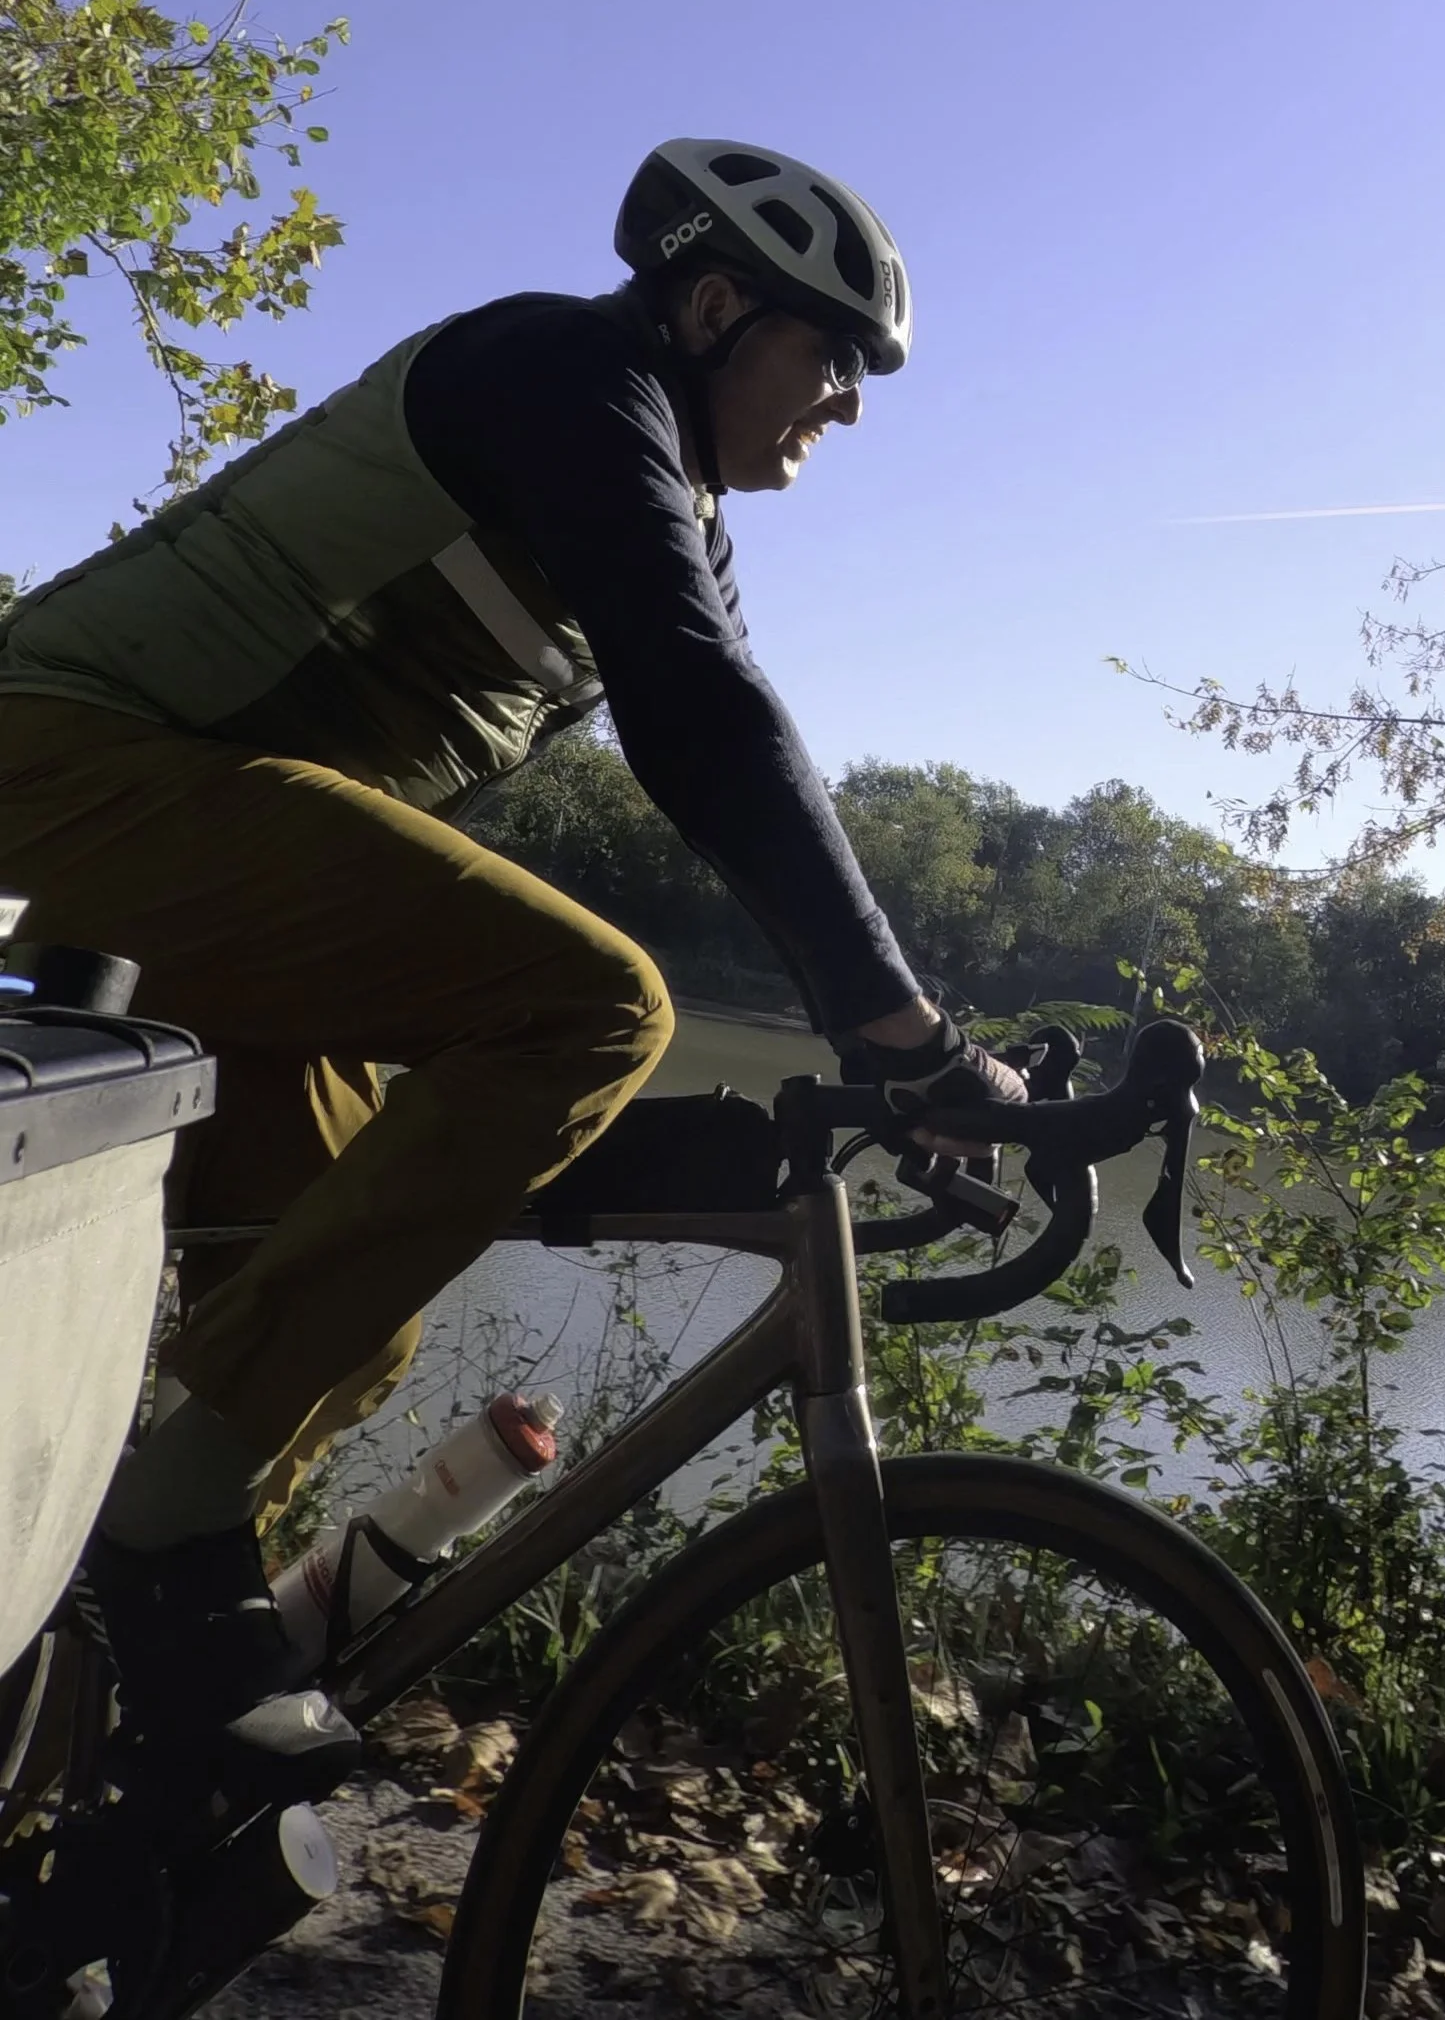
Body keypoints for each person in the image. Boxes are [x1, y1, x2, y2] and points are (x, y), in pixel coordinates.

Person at [0, 137, 1027, 1808]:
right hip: (64, 767)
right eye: (832, 354)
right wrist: (906, 1028)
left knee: (348, 1323)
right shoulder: (566, 371)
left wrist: (893, 1052)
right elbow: (697, 710)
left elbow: (739, 768)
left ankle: (84, 1714)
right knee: (598, 1006)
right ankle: (158, 1533)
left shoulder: (675, 497)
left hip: (215, 864)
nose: (846, 403)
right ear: (714, 305)